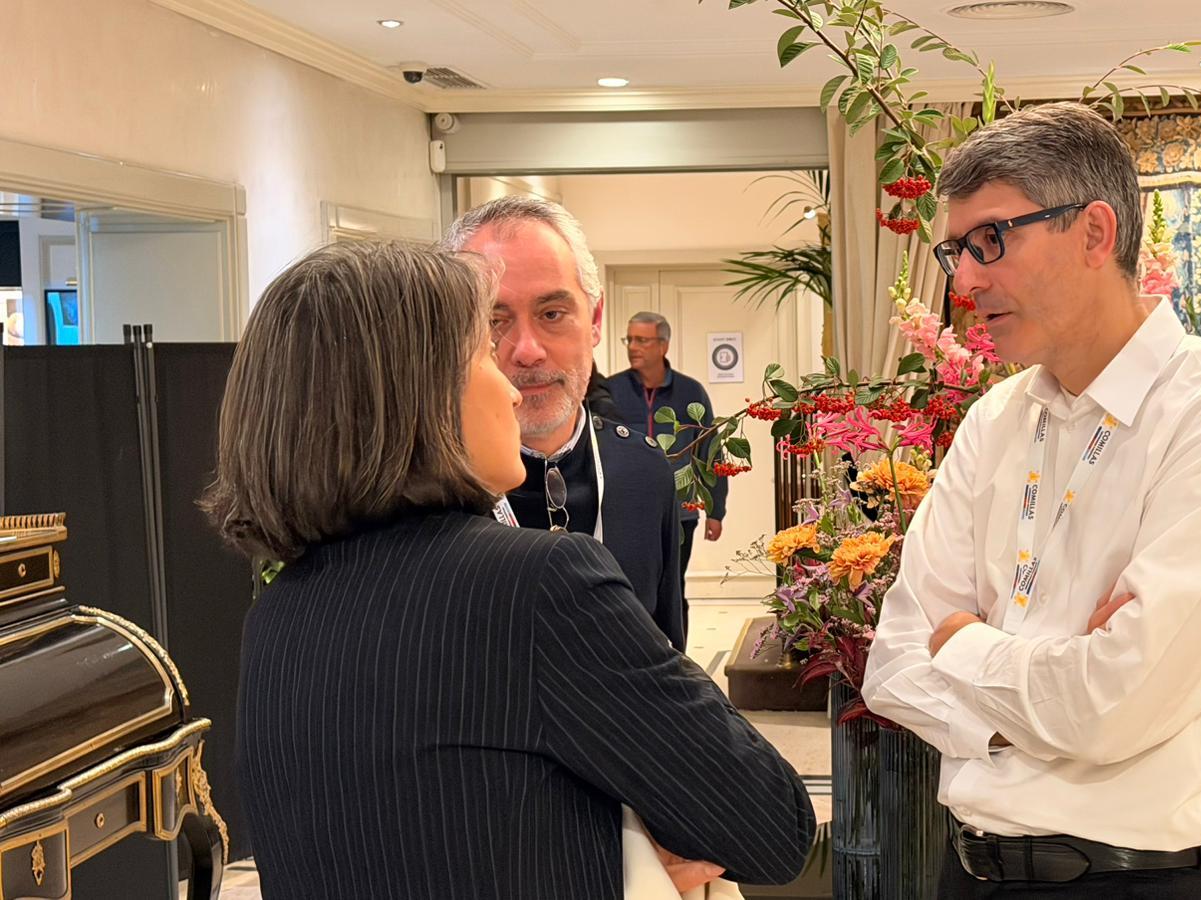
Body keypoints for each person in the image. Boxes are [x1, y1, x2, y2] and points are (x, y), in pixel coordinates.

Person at [204, 241, 814, 899]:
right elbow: (773, 827)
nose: (507, 383)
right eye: (480, 351)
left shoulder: (277, 614)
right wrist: (623, 847)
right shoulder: (538, 586)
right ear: (415, 399)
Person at [859, 102, 1201, 898]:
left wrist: (962, 643)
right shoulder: (995, 420)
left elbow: (1112, 705)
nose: (964, 280)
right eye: (956, 250)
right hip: (967, 871)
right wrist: (1052, 692)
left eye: (990, 240)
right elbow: (894, 664)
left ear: (1095, 233)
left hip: (1133, 881)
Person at [444, 197, 688, 651]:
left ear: (594, 320)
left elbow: (668, 645)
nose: (528, 350)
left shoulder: (644, 470)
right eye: (494, 320)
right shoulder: (428, 491)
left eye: (552, 314)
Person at [605, 311, 729, 626]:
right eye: (629, 339)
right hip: (624, 512)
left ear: (663, 345)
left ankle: (675, 653)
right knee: (627, 592)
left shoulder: (691, 392)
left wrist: (716, 510)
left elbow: (710, 451)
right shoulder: (610, 391)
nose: (633, 347)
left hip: (679, 513)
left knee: (672, 591)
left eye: (642, 340)